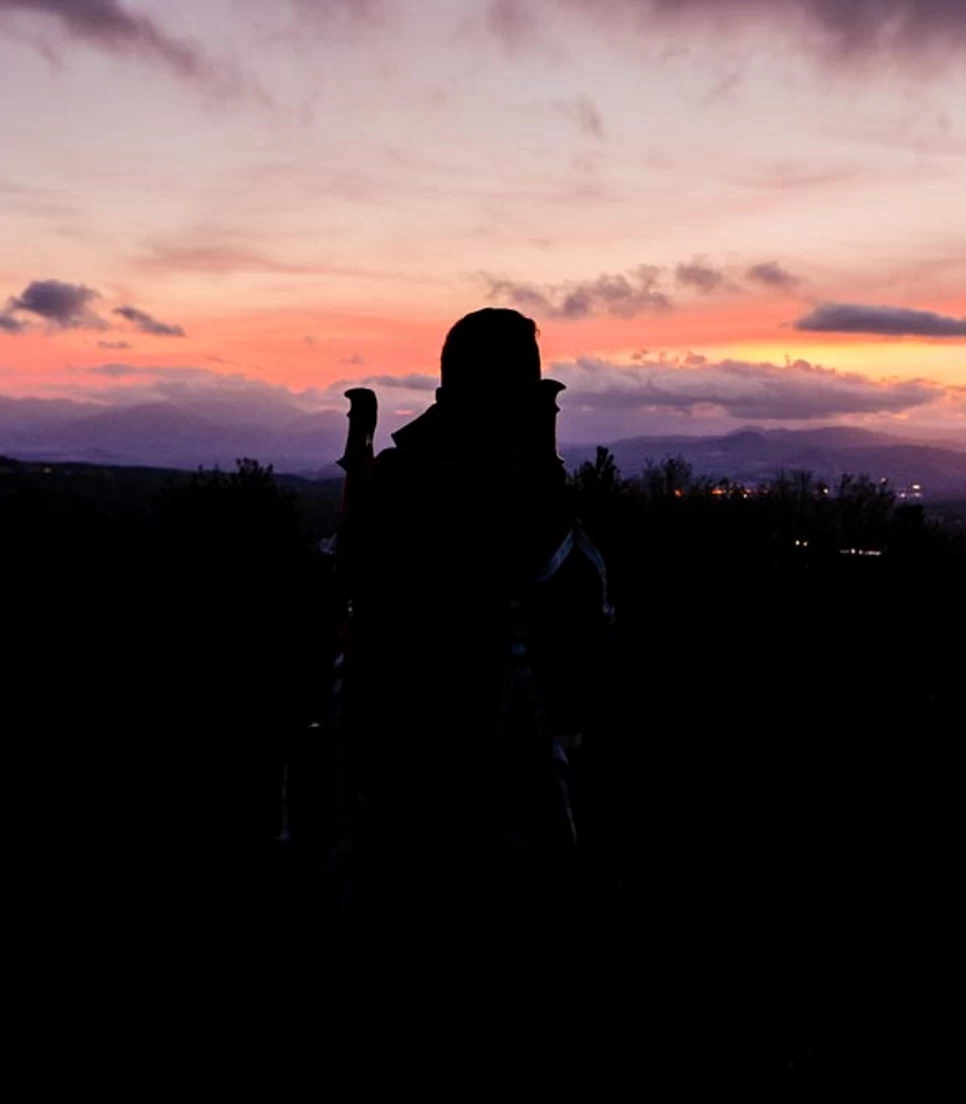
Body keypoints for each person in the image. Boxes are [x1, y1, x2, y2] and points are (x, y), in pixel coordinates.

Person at [341, 308, 612, 1080]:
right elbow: (554, 592)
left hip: (405, 768)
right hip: (480, 768)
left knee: (413, 986)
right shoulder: (505, 484)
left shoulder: (406, 475)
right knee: (492, 990)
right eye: (526, 373)